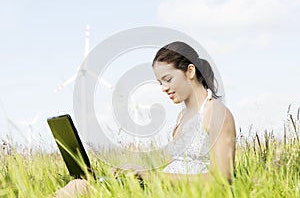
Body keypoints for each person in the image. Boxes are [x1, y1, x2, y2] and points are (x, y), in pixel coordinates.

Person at [54, 41, 236, 197]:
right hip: (161, 190)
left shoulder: (217, 114)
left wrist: (153, 177)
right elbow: (179, 167)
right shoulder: (183, 116)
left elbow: (221, 180)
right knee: (79, 185)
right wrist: (139, 171)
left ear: (190, 71)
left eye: (168, 79)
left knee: (81, 188)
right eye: (160, 83)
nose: (164, 88)